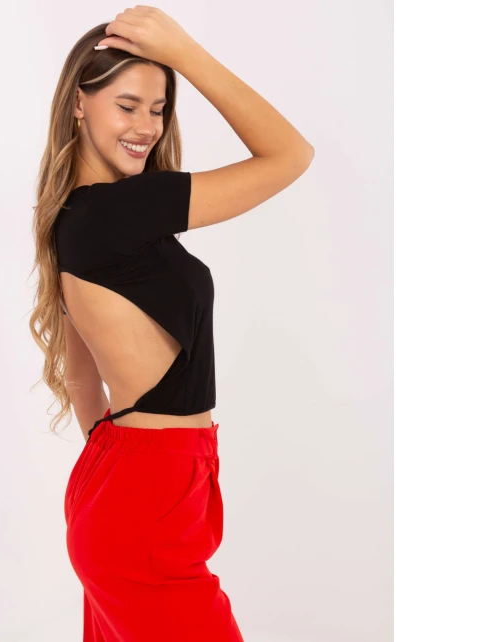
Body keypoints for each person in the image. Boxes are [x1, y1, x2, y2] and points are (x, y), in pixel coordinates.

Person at [29, 7, 314, 641]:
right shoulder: (126, 209)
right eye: (127, 105)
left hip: (134, 490)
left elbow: (82, 378)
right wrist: (185, 53)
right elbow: (291, 154)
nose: (146, 127)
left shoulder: (74, 217)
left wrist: (125, 469)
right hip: (146, 502)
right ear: (79, 103)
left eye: (158, 109)